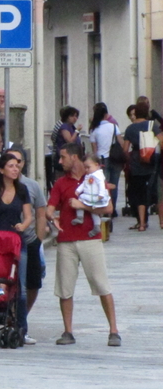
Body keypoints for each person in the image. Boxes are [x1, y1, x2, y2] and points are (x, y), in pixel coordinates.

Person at [46, 143, 120, 347]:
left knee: (101, 283)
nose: (60, 161)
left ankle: (113, 329)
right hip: (66, 240)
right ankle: (68, 330)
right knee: (65, 287)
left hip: (90, 239)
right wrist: (52, 217)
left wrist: (83, 206)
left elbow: (108, 208)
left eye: (63, 157)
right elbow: (50, 207)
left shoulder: (95, 177)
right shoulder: (61, 183)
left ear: (74, 157)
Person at [6, 147, 47, 345]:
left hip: (28, 240)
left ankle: (20, 319)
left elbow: (40, 213)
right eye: (11, 161)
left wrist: (39, 239)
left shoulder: (32, 186)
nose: (15, 165)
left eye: (18, 161)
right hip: (5, 242)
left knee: (32, 283)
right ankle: (9, 318)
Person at [122, 102, 163, 231]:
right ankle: (161, 222)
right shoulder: (152, 125)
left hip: (136, 161)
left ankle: (141, 223)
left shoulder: (130, 128)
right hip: (151, 160)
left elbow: (125, 149)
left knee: (139, 192)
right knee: (155, 191)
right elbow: (162, 142)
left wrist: (130, 158)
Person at [88, 103, 124, 217]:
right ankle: (112, 208)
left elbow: (94, 149)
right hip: (115, 158)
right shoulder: (113, 126)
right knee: (114, 184)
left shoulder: (94, 129)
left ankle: (105, 208)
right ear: (105, 114)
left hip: (102, 159)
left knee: (104, 184)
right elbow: (121, 143)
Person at [73, 155, 110, 238]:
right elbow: (84, 184)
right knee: (93, 211)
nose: (86, 170)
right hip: (91, 195)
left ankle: (80, 216)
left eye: (88, 167)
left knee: (81, 199)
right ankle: (96, 225)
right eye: (85, 168)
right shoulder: (89, 175)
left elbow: (101, 185)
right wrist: (78, 190)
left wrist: (101, 194)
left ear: (96, 165)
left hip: (95, 196)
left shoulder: (98, 175)